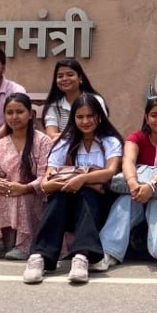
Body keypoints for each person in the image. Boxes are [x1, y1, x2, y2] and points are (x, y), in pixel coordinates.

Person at [24, 94, 122, 284]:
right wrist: (60, 184)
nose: (85, 121)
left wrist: (82, 179)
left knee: (86, 193)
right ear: (73, 118)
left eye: (90, 116)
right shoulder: (64, 142)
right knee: (59, 197)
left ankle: (81, 256)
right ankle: (39, 256)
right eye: (80, 117)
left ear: (99, 117)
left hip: (99, 205)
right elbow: (46, 182)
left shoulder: (109, 141)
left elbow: (109, 172)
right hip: (67, 204)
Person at [95, 97, 157, 274]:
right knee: (124, 202)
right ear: (146, 117)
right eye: (153, 115)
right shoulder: (136, 137)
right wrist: (133, 183)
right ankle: (107, 251)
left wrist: (151, 186)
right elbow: (128, 161)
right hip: (136, 191)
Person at [0, 93, 53, 261]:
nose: (14, 117)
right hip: (8, 189)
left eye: (19, 112)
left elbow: (46, 175)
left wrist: (25, 187)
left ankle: (24, 244)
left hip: (34, 192)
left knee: (20, 194)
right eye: (9, 112)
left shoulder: (43, 141)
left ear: (30, 114)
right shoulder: (0, 144)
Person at [42, 58, 107, 141]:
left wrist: (68, 137)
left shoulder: (96, 100)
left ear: (80, 78)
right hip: (64, 147)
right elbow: (51, 135)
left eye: (70, 75)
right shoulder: (54, 105)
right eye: (60, 76)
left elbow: (101, 131)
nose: (64, 79)